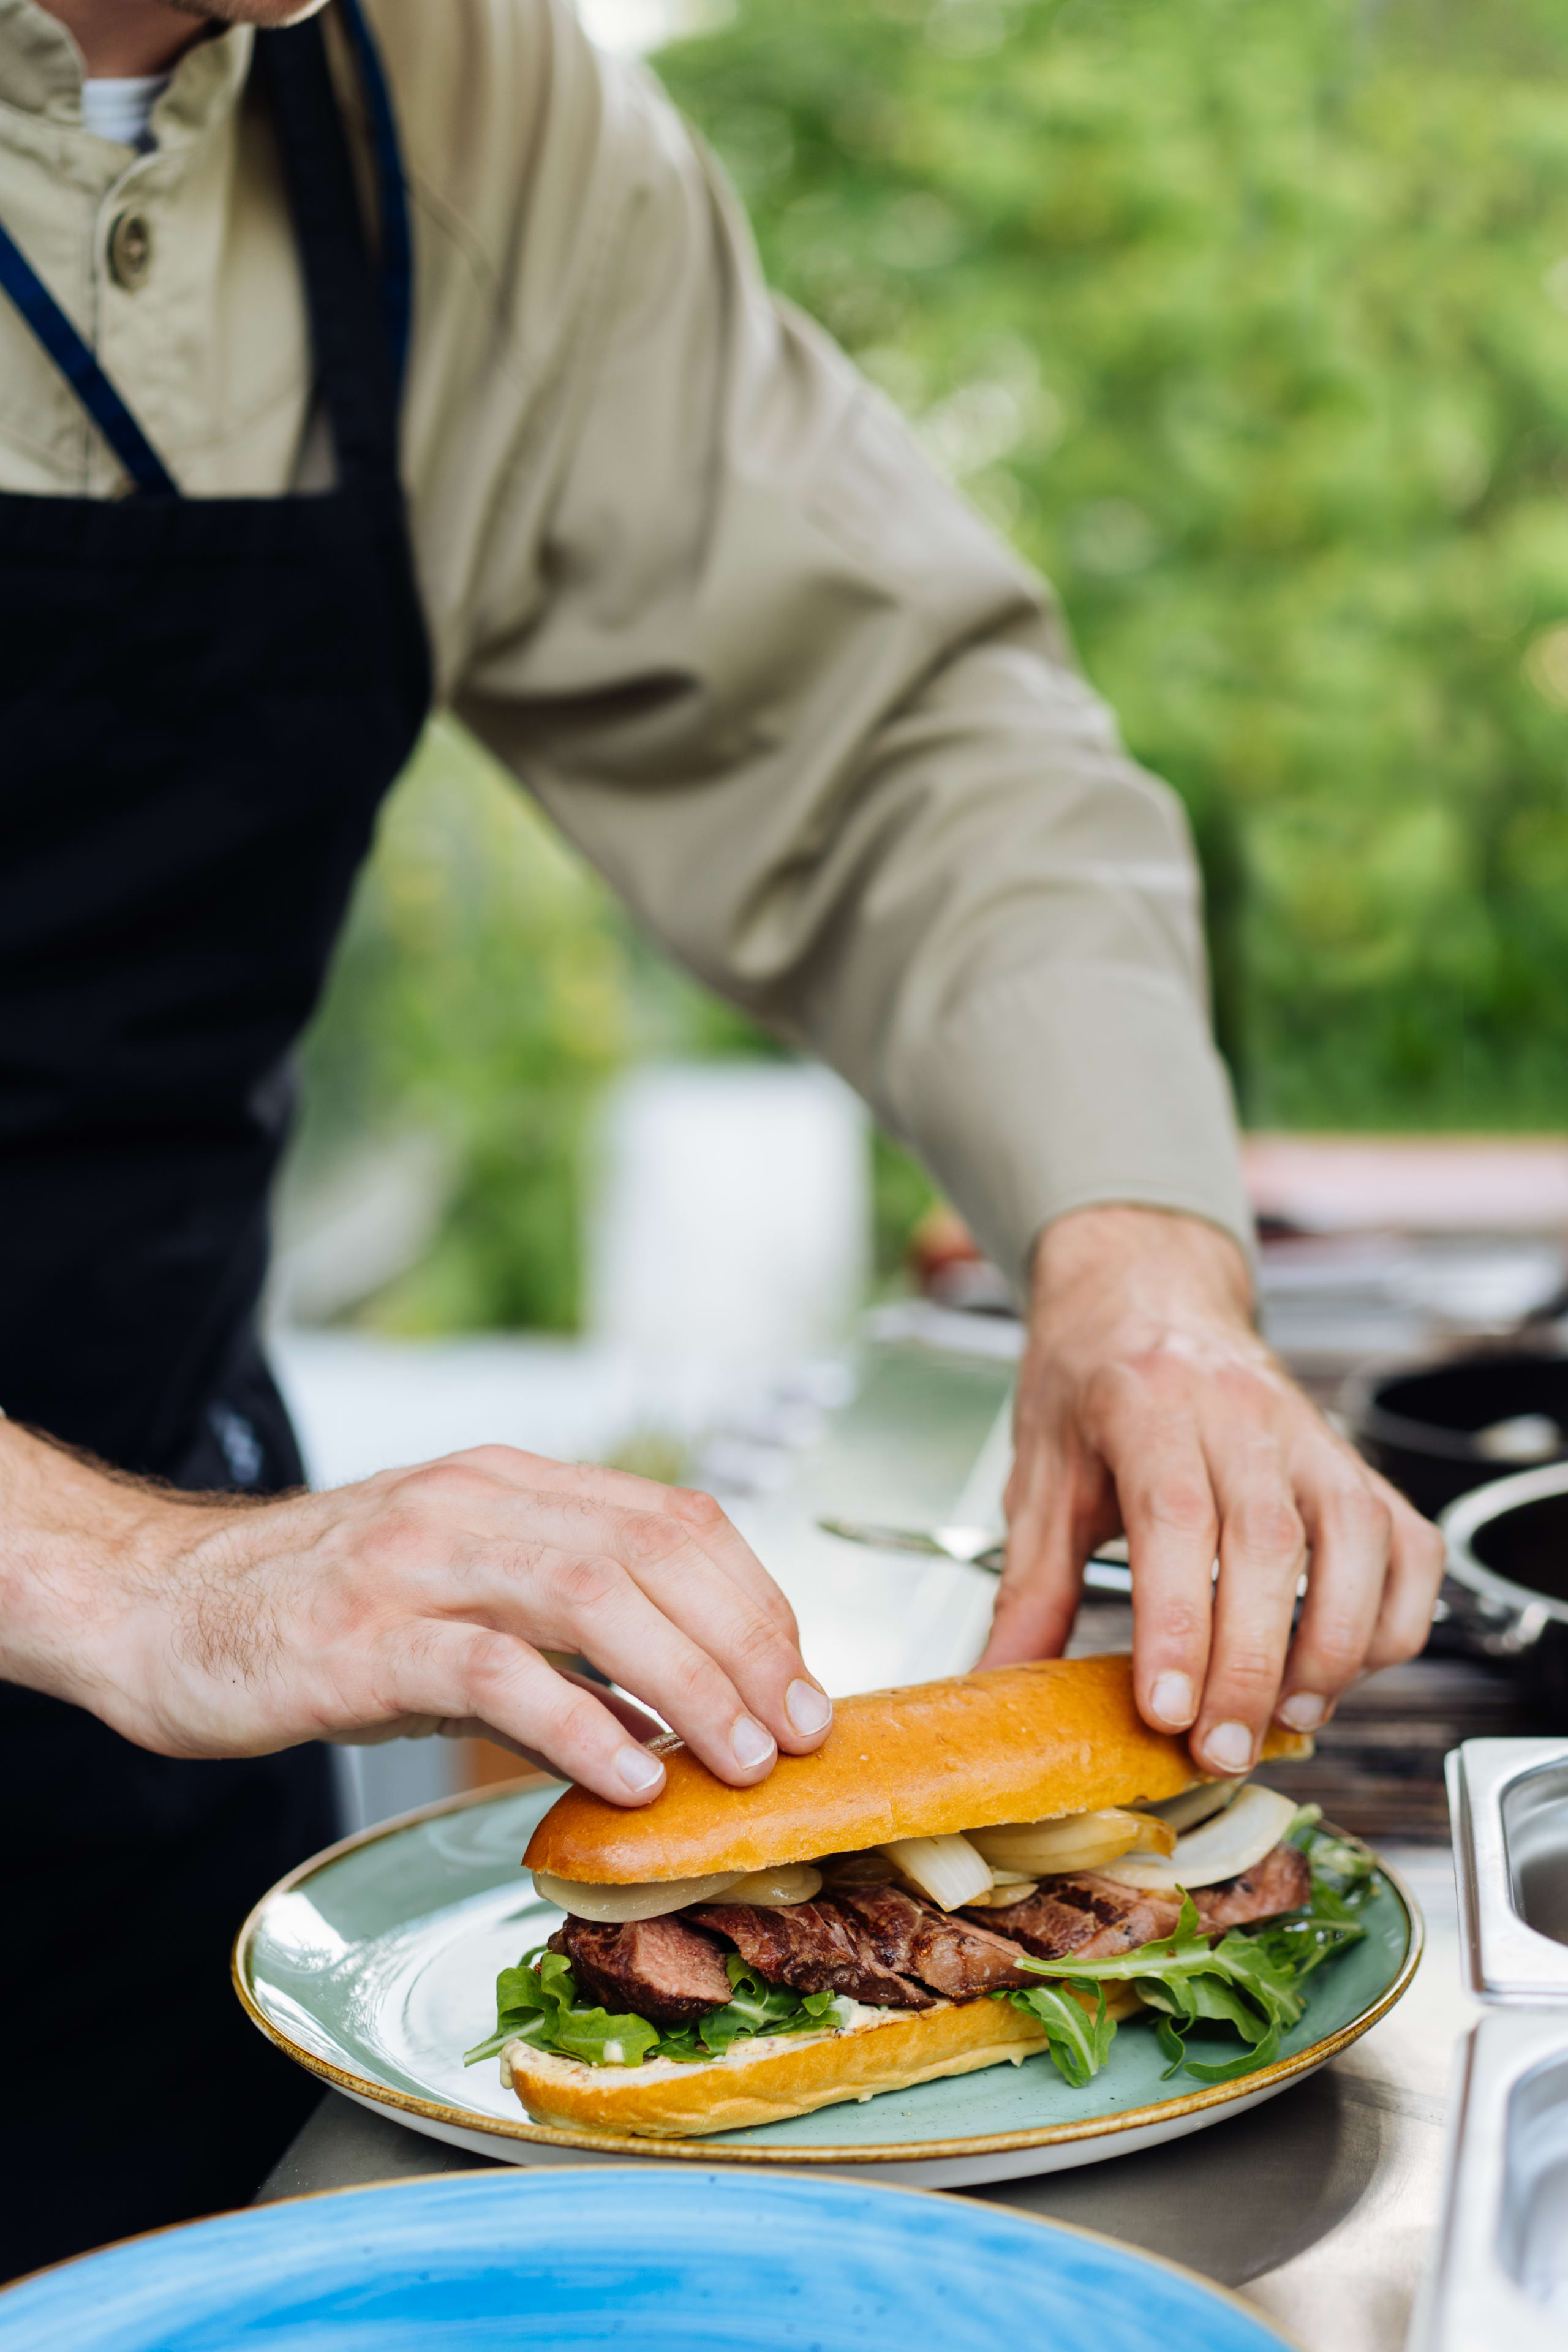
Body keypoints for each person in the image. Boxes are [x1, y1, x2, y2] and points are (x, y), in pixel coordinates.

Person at [0, 0, 1444, 2277]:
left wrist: (1135, 1258)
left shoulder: (447, 105)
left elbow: (897, 738)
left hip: (134, 1823)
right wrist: (103, 1573)